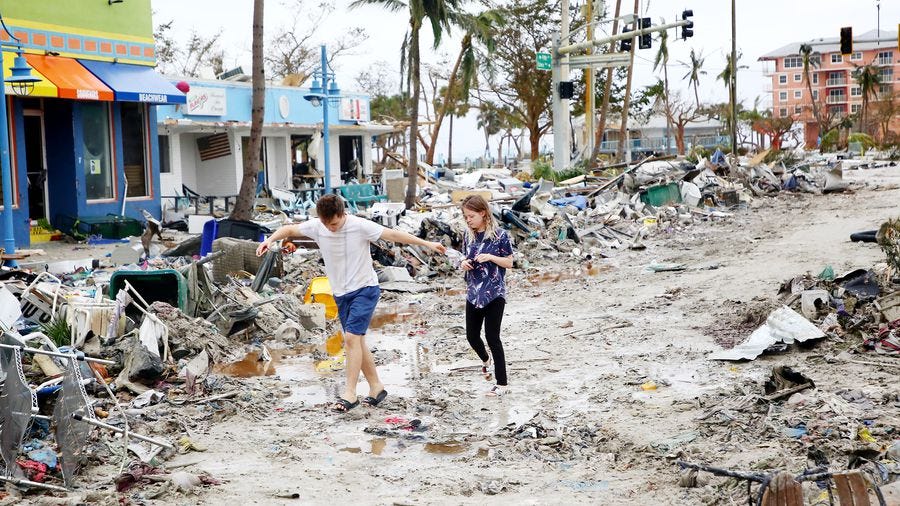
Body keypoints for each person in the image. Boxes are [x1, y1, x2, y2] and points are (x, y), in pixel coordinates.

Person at [256, 194, 446, 412]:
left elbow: (393, 234)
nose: (331, 228)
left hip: (365, 290)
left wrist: (427, 243)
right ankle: (376, 387)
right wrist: (269, 240)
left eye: (334, 223)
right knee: (357, 342)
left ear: (342, 214)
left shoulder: (359, 225)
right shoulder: (319, 226)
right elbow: (289, 229)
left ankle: (350, 393)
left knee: (351, 338)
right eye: (326, 224)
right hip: (340, 293)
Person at [459, 195, 514, 396]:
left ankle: (502, 384)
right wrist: (463, 263)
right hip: (473, 293)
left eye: (471, 216)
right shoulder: (468, 236)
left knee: (493, 337)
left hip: (494, 293)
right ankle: (485, 360)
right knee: (471, 336)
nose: (468, 220)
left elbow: (509, 262)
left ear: (483, 213)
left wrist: (490, 257)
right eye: (465, 216)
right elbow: (463, 257)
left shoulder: (501, 236)